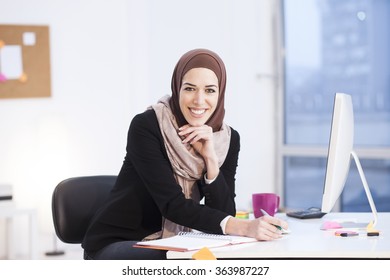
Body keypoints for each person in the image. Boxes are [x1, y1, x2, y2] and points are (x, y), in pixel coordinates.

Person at [81, 48, 288, 260]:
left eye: (209, 90)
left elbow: (224, 211)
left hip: (172, 242)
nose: (199, 101)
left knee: (217, 259)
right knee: (198, 262)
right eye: (190, 88)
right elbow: (173, 206)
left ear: (221, 93)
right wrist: (244, 227)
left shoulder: (227, 139)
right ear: (177, 87)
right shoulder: (148, 126)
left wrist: (210, 160)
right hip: (119, 242)